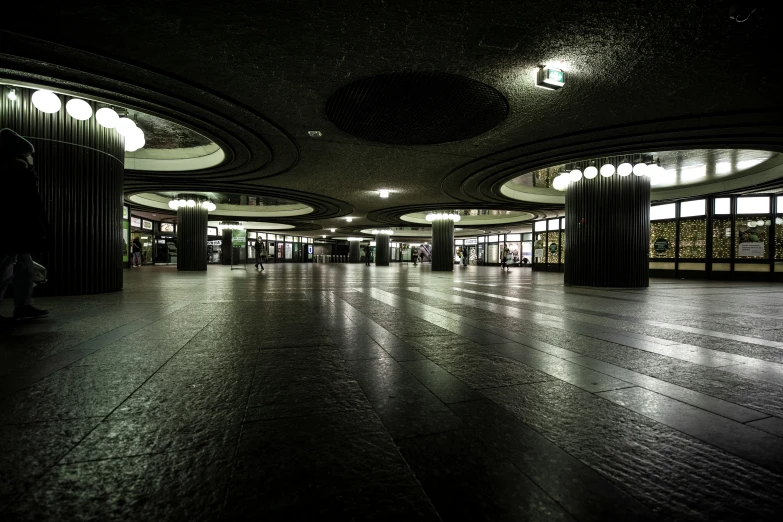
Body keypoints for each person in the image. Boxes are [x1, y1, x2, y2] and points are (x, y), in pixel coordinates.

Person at [0, 128, 49, 320]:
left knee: (22, 267)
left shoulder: (16, 169)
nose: (31, 157)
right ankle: (23, 306)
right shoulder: (17, 170)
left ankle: (24, 305)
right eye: (28, 154)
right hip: (12, 229)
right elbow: (28, 204)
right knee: (7, 268)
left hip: (13, 229)